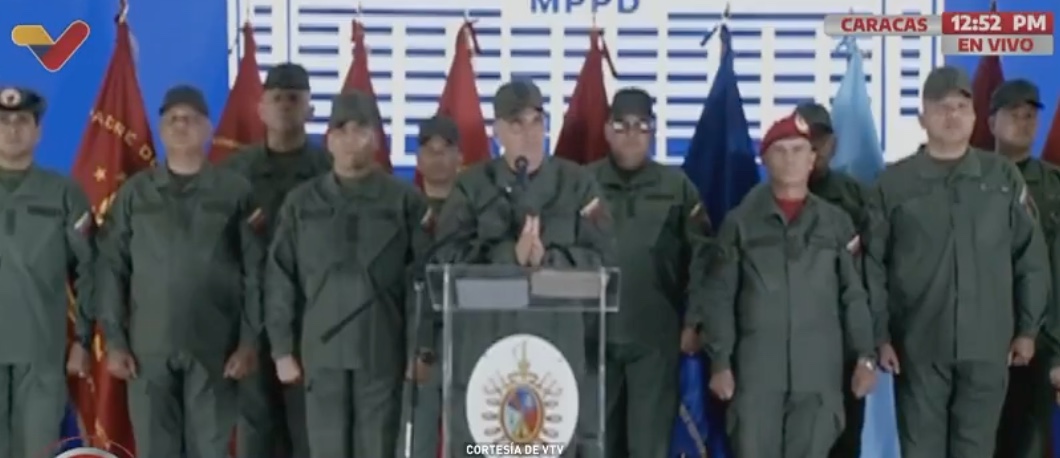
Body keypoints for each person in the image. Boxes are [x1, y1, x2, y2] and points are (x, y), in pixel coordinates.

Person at [862, 66, 1050, 458]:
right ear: (922, 117)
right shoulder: (893, 184)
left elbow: (1030, 258)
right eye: (941, 107)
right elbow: (873, 266)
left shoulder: (1002, 178)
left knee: (976, 450)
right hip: (918, 345)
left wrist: (1028, 329)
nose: (952, 115)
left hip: (988, 345)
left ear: (975, 116)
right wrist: (879, 336)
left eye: (961, 107)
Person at [430, 80, 614, 457]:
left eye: (536, 122)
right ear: (496, 131)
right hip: (487, 346)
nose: (529, 134)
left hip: (557, 347)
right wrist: (508, 257)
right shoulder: (471, 187)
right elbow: (445, 260)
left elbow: (604, 261)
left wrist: (549, 260)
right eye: (516, 124)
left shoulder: (578, 184)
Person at [691, 112, 877, 457]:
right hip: (757, 377)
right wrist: (720, 363)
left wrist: (865, 356)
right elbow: (720, 297)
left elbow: (854, 295)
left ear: (812, 159)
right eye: (780, 151)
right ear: (764, 160)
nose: (790, 159)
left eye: (798, 150)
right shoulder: (740, 223)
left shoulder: (837, 223)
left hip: (818, 375)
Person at [97, 85, 264, 457]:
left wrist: (249, 342)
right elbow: (112, 269)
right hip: (148, 351)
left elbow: (255, 272)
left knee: (211, 450)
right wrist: (115, 341)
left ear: (208, 129)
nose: (181, 125)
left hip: (216, 349)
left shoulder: (235, 191)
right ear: (161, 129)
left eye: (190, 118)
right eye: (173, 118)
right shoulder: (136, 194)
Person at [264, 90, 432, 458]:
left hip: (382, 352)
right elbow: (280, 278)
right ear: (328, 141)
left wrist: (421, 348)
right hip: (321, 354)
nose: (351, 139)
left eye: (361, 130)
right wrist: (281, 349)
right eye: (341, 130)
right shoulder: (302, 203)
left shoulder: (404, 201)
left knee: (378, 449)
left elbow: (422, 283)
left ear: (377, 139)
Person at [586, 87, 708, 457]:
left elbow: (703, 259)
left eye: (641, 126)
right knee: (593, 445)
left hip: (654, 337)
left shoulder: (677, 187)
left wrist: (695, 321)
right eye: (621, 125)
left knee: (648, 446)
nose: (631, 135)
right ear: (606, 130)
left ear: (653, 131)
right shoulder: (581, 184)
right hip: (592, 337)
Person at [221, 62, 330, 458]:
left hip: (311, 318)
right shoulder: (235, 173)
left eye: (294, 98)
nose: (285, 106)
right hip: (251, 320)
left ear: (310, 109)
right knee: (255, 432)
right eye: (277, 98)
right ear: (261, 109)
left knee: (311, 431)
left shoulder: (329, 171)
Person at [0, 87, 94, 457]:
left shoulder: (63, 193)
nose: (12, 129)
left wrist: (83, 339)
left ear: (38, 131)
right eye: (3, 121)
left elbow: (90, 269)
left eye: (22, 121)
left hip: (41, 354)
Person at [794, 102, 873, 458]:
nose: (813, 148)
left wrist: (867, 349)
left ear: (833, 144)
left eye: (820, 139)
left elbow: (873, 271)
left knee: (844, 441)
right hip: (788, 346)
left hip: (844, 344)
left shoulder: (857, 198)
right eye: (804, 139)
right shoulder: (764, 201)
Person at [989, 79, 1060, 458]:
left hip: (1040, 343)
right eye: (1014, 114)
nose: (1024, 122)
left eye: (1030, 115)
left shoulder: (1054, 186)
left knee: (1030, 445)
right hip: (980, 339)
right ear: (991, 123)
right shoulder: (973, 180)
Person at [401, 114, 462, 458]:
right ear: (418, 159)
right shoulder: (402, 211)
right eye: (429, 149)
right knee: (416, 443)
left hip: (464, 341)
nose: (437, 157)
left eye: (445, 149)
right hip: (413, 344)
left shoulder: (476, 213)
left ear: (460, 158)